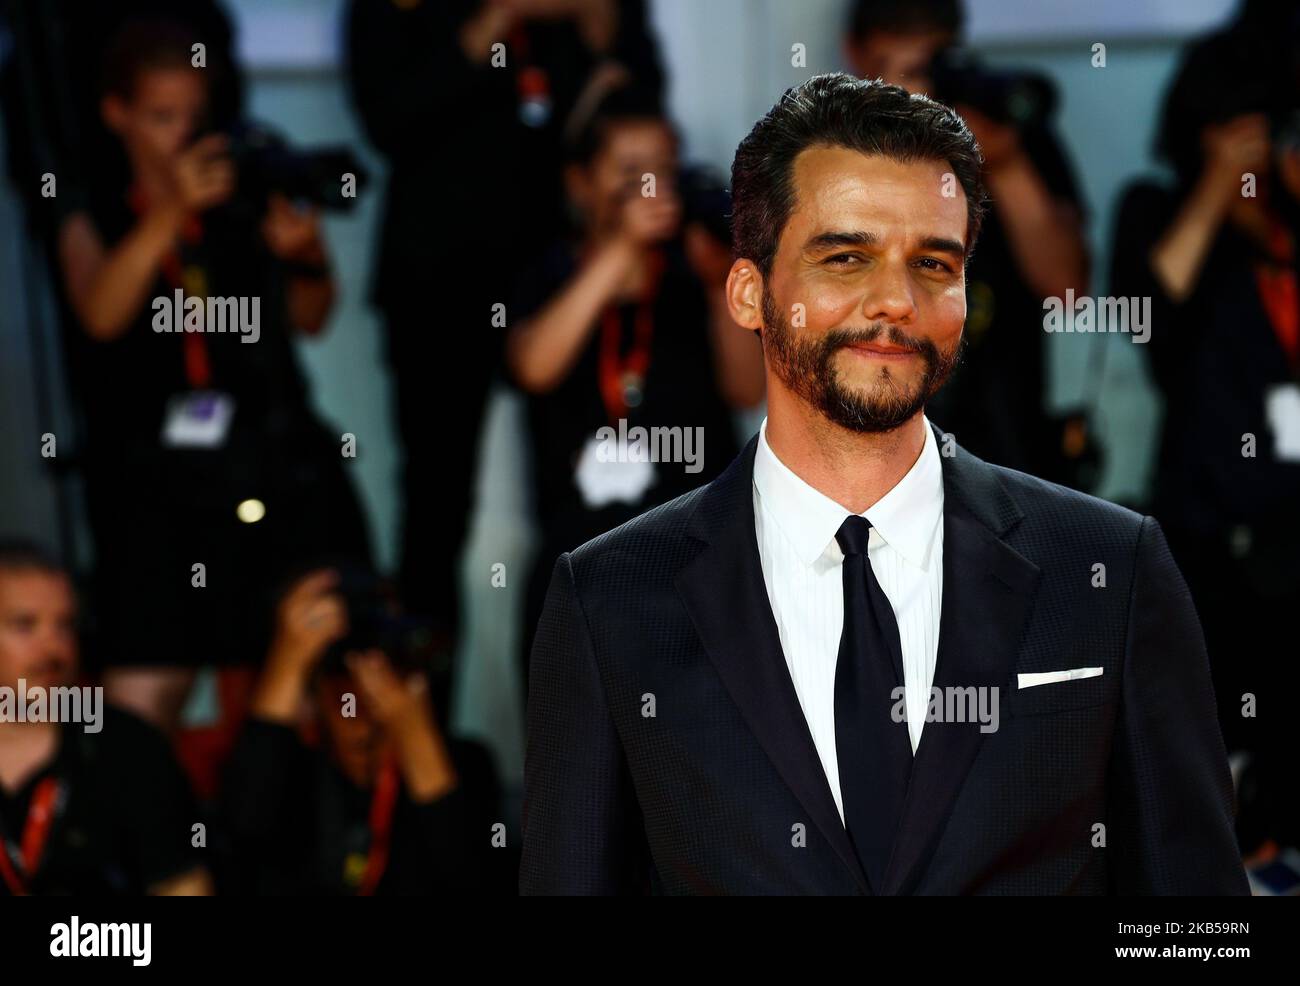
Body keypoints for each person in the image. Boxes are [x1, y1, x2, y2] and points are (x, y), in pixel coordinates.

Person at [519, 74, 1248, 895]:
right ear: (750, 293)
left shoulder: (1108, 567)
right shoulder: (611, 599)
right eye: (846, 257)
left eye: (934, 264)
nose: (896, 301)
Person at [345, 0, 665, 710]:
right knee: (434, 514)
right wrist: (497, 14)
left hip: (566, 278)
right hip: (439, 284)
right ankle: (422, 745)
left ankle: (614, 742)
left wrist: (595, 26)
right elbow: (389, 120)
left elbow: (640, 101)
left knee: (592, 494)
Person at [55, 20, 370, 730]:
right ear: (117, 114)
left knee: (309, 674)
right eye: (162, 117)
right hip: (156, 484)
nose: (182, 136)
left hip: (268, 465)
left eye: (194, 117)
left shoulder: (243, 197)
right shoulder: (92, 208)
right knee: (142, 696)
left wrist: (307, 256)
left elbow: (311, 316)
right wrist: (170, 211)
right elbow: (101, 311)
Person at [1110, 1, 1300, 860]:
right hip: (1206, 538)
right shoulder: (1158, 213)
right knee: (1203, 746)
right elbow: (1154, 327)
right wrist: (1223, 185)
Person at [506, 85, 765, 684]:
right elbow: (534, 367)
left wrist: (715, 284)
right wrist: (618, 250)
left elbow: (746, 390)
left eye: (662, 171)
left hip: (701, 552)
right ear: (579, 184)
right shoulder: (550, 272)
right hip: (579, 558)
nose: (651, 189)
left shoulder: (692, 274)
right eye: (628, 173)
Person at [844, 0, 1093, 485]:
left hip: (1009, 441)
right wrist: (893, 131)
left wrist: (1004, 162)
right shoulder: (830, 142)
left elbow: (1066, 292)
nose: (923, 86)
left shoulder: (997, 120)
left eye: (931, 63)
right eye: (899, 69)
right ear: (854, 55)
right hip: (876, 439)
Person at [218, 569, 510, 895]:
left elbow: (477, 879)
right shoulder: (291, 768)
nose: (360, 712)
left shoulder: (465, 762)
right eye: (343, 693)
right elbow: (237, 840)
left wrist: (415, 737)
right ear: (314, 697)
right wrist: (289, 658)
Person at [0, 540, 211, 895]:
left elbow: (183, 885)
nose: (53, 648)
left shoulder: (128, 747)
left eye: (65, 626)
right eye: (25, 625)